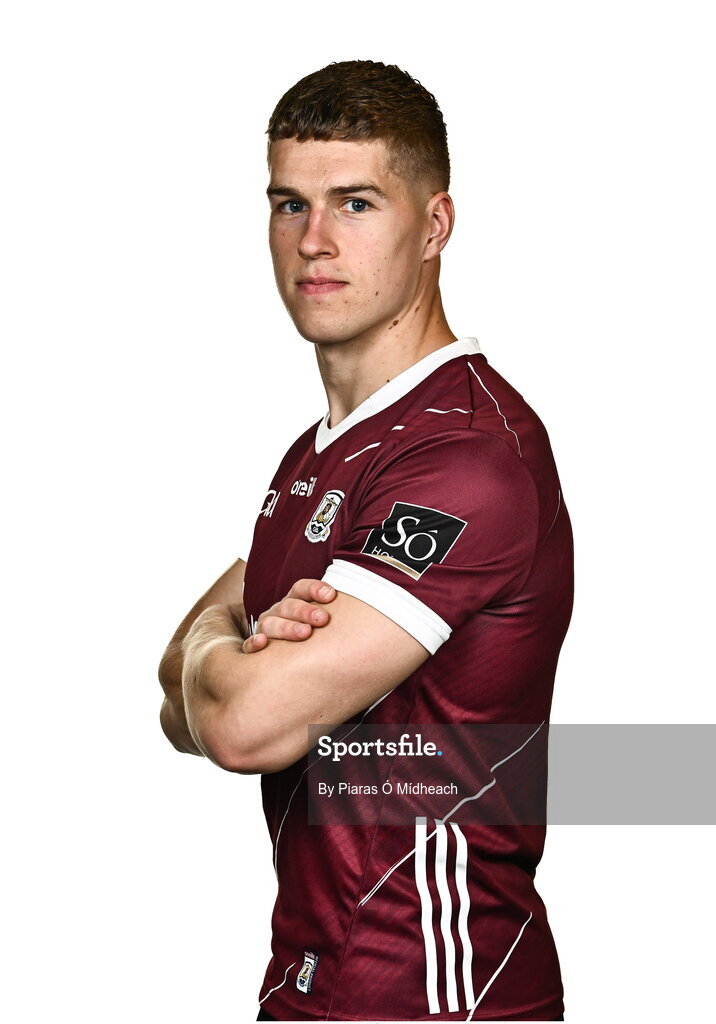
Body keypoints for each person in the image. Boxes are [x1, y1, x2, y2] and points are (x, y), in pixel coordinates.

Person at [158, 59, 573, 1022]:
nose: (314, 241)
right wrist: (226, 652)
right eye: (288, 204)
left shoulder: (470, 458)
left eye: (355, 203)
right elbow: (176, 707)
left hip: (438, 993)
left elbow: (237, 724)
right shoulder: (321, 455)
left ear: (434, 225)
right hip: (311, 983)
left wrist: (222, 642)